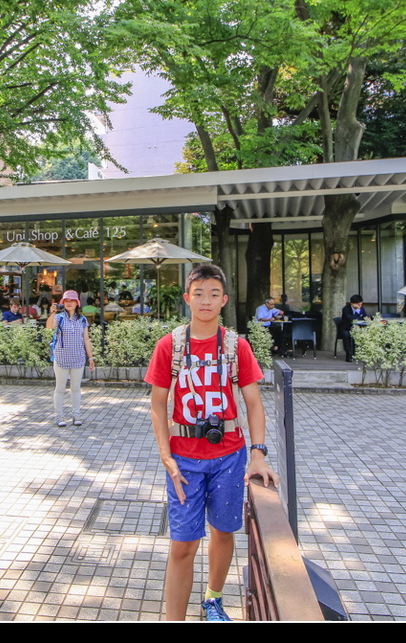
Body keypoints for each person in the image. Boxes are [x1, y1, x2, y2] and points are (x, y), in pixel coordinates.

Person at [144, 264, 278, 621]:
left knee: (223, 532)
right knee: (183, 544)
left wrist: (258, 454)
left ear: (224, 301)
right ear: (187, 298)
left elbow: (253, 404)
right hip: (184, 459)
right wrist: (165, 456)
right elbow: (158, 405)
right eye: (199, 293)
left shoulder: (237, 346)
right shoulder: (170, 345)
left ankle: (213, 600)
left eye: (214, 294)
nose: (206, 301)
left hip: (229, 457)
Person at [47, 290, 95, 427]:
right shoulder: (59, 317)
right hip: (61, 358)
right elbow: (49, 326)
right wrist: (53, 312)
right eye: (66, 301)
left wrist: (90, 358)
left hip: (78, 358)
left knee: (76, 388)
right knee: (60, 388)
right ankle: (59, 416)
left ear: (77, 303)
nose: (69, 303)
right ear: (63, 303)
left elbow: (86, 339)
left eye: (72, 300)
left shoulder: (82, 319)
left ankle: (76, 415)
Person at [338, 295, 368, 363]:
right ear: (352, 304)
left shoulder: (362, 308)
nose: (359, 306)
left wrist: (367, 318)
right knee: (347, 335)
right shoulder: (346, 309)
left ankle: (360, 353)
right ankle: (348, 354)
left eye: (361, 304)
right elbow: (351, 319)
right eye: (358, 304)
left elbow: (365, 316)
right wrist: (357, 311)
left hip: (358, 328)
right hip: (347, 328)